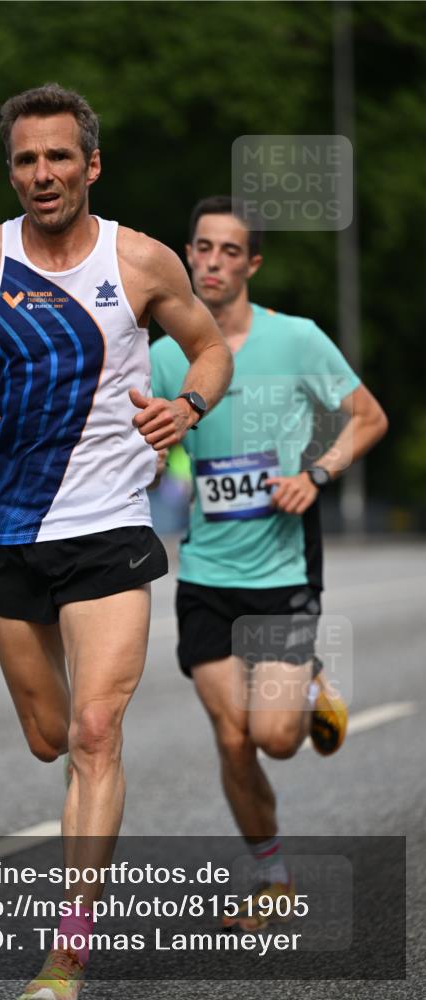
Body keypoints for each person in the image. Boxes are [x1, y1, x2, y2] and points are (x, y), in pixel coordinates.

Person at [0, 85, 232, 998]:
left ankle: (66, 950)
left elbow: (209, 349)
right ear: (12, 171)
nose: (41, 174)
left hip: (110, 525)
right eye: (24, 160)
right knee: (47, 736)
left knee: (93, 729)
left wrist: (186, 405)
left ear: (91, 164)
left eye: (57, 157)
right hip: (5, 525)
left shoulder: (142, 260)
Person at [151, 195, 388, 931]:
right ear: (186, 256)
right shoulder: (164, 356)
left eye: (229, 251)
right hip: (204, 576)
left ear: (250, 263)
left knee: (275, 739)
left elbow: (368, 416)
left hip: (282, 574)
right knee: (231, 737)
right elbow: (152, 450)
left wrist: (314, 473)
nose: (212, 262)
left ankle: (309, 679)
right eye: (202, 248)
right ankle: (272, 879)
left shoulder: (297, 341)